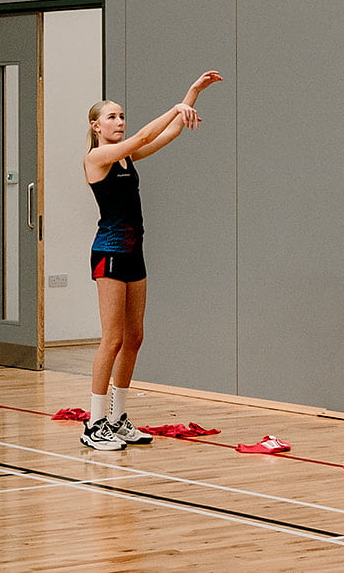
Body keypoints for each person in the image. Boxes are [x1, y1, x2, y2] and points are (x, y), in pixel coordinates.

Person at [79, 70, 223, 451]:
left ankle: (118, 417)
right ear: (95, 125)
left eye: (122, 115)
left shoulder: (127, 158)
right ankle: (93, 424)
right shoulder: (98, 157)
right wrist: (174, 106)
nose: (120, 121)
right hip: (108, 253)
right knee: (111, 340)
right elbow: (143, 135)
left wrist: (191, 94)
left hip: (133, 254)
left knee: (134, 338)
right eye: (112, 117)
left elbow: (165, 136)